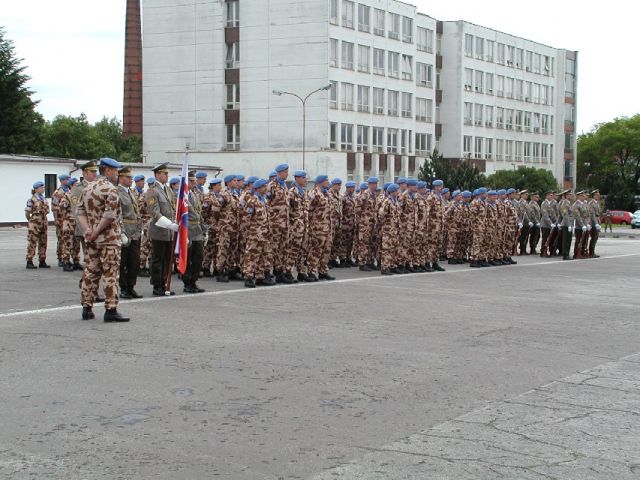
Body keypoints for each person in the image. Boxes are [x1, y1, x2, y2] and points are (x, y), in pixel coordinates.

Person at [76, 157, 129, 322]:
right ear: (107, 170)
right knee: (110, 273)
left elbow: (80, 212)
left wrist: (88, 230)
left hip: (92, 239)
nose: (117, 174)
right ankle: (111, 310)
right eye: (115, 171)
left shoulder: (87, 187)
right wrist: (97, 231)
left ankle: (86, 308)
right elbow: (109, 215)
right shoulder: (111, 189)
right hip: (108, 239)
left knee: (91, 272)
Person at [145, 163, 178, 296]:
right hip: (159, 230)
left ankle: (164, 283)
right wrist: (169, 224)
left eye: (167, 173)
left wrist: (174, 224)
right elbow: (154, 212)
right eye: (165, 173)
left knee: (167, 259)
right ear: (157, 174)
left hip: (169, 232)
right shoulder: (152, 191)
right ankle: (157, 285)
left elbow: (172, 209)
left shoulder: (168, 190)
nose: (167, 176)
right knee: (158, 259)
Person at [243, 179, 276, 288]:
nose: (266, 188)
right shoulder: (252, 201)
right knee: (252, 256)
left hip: (265, 234)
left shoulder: (264, 200)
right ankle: (248, 277)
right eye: (264, 187)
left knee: (265, 256)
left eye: (266, 186)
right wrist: (251, 232)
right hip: (255, 235)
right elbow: (246, 219)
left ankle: (260, 277)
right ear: (258, 188)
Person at [117, 167, 143, 299]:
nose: (131, 179)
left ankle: (131, 286)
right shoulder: (117, 192)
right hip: (125, 231)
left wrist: (139, 229)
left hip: (135, 232)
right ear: (121, 178)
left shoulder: (131, 192)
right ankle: (123, 288)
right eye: (128, 177)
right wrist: (121, 232)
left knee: (134, 262)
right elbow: (118, 214)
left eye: (131, 177)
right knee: (123, 262)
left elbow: (136, 213)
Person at [307, 175, 334, 281]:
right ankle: (311, 271)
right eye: (326, 180)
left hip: (327, 227)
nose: (328, 182)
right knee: (316, 249)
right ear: (321, 181)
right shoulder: (314, 193)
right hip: (318, 228)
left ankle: (323, 271)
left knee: (326, 250)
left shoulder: (326, 193)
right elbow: (309, 210)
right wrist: (312, 225)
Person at [182, 172, 206, 293]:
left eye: (194, 181)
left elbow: (198, 213)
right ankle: (187, 283)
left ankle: (193, 281)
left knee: (198, 257)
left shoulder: (194, 194)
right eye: (191, 181)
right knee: (187, 258)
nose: (194, 183)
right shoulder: (182, 195)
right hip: (188, 229)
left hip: (197, 230)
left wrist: (203, 228)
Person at [267, 164, 291, 283]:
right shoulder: (271, 186)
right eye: (285, 172)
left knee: (283, 249)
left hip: (285, 223)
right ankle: (267, 272)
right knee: (272, 248)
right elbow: (266, 203)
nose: (287, 174)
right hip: (275, 223)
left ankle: (280, 272)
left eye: (287, 172)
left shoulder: (284, 185)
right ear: (279, 173)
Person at [216, 175, 241, 282]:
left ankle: (231, 270)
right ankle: (220, 271)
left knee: (233, 249)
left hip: (235, 227)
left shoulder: (236, 194)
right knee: (223, 249)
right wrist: (222, 222)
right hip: (226, 227)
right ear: (228, 182)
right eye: (234, 180)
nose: (236, 182)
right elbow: (216, 210)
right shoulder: (224, 194)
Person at [286, 171, 310, 282]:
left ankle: (301, 272)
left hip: (304, 226)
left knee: (303, 250)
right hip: (295, 227)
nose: (306, 180)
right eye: (304, 178)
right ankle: (288, 272)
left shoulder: (304, 192)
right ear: (297, 178)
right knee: (293, 250)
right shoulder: (291, 193)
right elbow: (288, 211)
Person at [25, 180, 50, 269]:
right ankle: (29, 261)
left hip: (43, 223)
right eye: (41, 187)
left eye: (43, 187)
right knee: (32, 242)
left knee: (43, 242)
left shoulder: (43, 199)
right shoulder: (32, 199)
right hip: (35, 223)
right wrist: (30, 221)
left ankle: (42, 261)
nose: (43, 189)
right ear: (36, 189)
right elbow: (27, 212)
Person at [59, 177, 83, 272]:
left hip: (77, 222)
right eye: (76, 184)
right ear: (71, 185)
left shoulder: (79, 195)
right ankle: (66, 261)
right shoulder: (67, 195)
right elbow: (61, 207)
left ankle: (76, 261)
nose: (78, 186)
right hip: (69, 222)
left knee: (76, 242)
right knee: (68, 242)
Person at [356, 177, 379, 271]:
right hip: (365, 224)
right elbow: (358, 208)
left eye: (376, 184)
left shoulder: (374, 195)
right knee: (364, 243)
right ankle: (362, 263)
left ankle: (370, 261)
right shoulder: (364, 195)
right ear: (369, 184)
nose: (375, 185)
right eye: (374, 184)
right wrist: (363, 219)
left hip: (373, 223)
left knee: (372, 243)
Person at [378, 183, 401, 275]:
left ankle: (392, 266)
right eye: (397, 190)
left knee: (394, 248)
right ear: (393, 191)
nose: (398, 192)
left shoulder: (396, 201)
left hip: (395, 229)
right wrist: (386, 224)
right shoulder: (387, 201)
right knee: (387, 249)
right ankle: (385, 267)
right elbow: (381, 215)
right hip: (388, 229)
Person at [201, 178, 222, 277]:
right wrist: (207, 222)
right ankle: (206, 267)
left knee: (217, 247)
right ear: (214, 186)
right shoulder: (208, 196)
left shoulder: (220, 196)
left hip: (219, 225)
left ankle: (216, 268)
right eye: (219, 185)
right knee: (209, 247)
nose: (220, 187)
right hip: (211, 225)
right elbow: (204, 211)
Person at [51, 174, 70, 266]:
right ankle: (60, 258)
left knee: (68, 239)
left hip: (69, 219)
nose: (68, 181)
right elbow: (54, 207)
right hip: (60, 218)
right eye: (67, 179)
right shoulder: (57, 192)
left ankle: (67, 257)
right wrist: (56, 219)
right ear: (62, 181)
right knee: (61, 239)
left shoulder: (69, 190)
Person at [338, 180, 357, 267]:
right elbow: (340, 211)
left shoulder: (353, 197)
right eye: (352, 187)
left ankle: (348, 258)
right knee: (343, 242)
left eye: (354, 187)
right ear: (348, 188)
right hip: (345, 224)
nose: (353, 189)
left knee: (350, 242)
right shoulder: (343, 197)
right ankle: (342, 259)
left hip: (352, 223)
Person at [138, 177, 154, 277]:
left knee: (153, 246)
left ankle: (152, 267)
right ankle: (141, 267)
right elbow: (140, 209)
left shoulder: (156, 194)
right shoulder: (145, 195)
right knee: (145, 246)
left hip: (154, 222)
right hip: (147, 223)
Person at [328, 178, 342, 268]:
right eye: (338, 185)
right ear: (333, 185)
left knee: (336, 242)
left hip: (338, 223)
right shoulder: (328, 194)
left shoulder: (339, 195)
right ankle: (328, 260)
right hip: (331, 223)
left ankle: (333, 259)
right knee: (330, 242)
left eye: (340, 185)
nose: (340, 187)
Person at [539, 191, 557, 258]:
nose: (552, 196)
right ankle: (543, 251)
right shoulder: (544, 203)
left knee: (552, 238)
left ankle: (551, 251)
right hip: (545, 224)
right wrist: (550, 223)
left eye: (552, 195)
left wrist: (555, 222)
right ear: (546, 196)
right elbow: (545, 215)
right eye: (550, 195)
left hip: (552, 224)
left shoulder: (553, 203)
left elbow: (555, 214)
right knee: (545, 238)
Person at [558, 190, 574, 260]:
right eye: (569, 194)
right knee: (566, 240)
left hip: (569, 224)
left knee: (568, 240)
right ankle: (565, 254)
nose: (570, 195)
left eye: (570, 194)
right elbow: (565, 215)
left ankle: (567, 253)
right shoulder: (565, 203)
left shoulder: (568, 203)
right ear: (566, 196)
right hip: (566, 224)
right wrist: (569, 225)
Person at [587, 190, 602, 258]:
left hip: (597, 221)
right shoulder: (591, 203)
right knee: (593, 237)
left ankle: (592, 251)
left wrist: (599, 223)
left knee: (595, 238)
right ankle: (591, 252)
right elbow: (592, 215)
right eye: (597, 195)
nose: (598, 196)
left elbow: (598, 214)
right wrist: (596, 224)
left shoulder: (597, 203)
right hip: (593, 223)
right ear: (594, 196)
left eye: (599, 195)